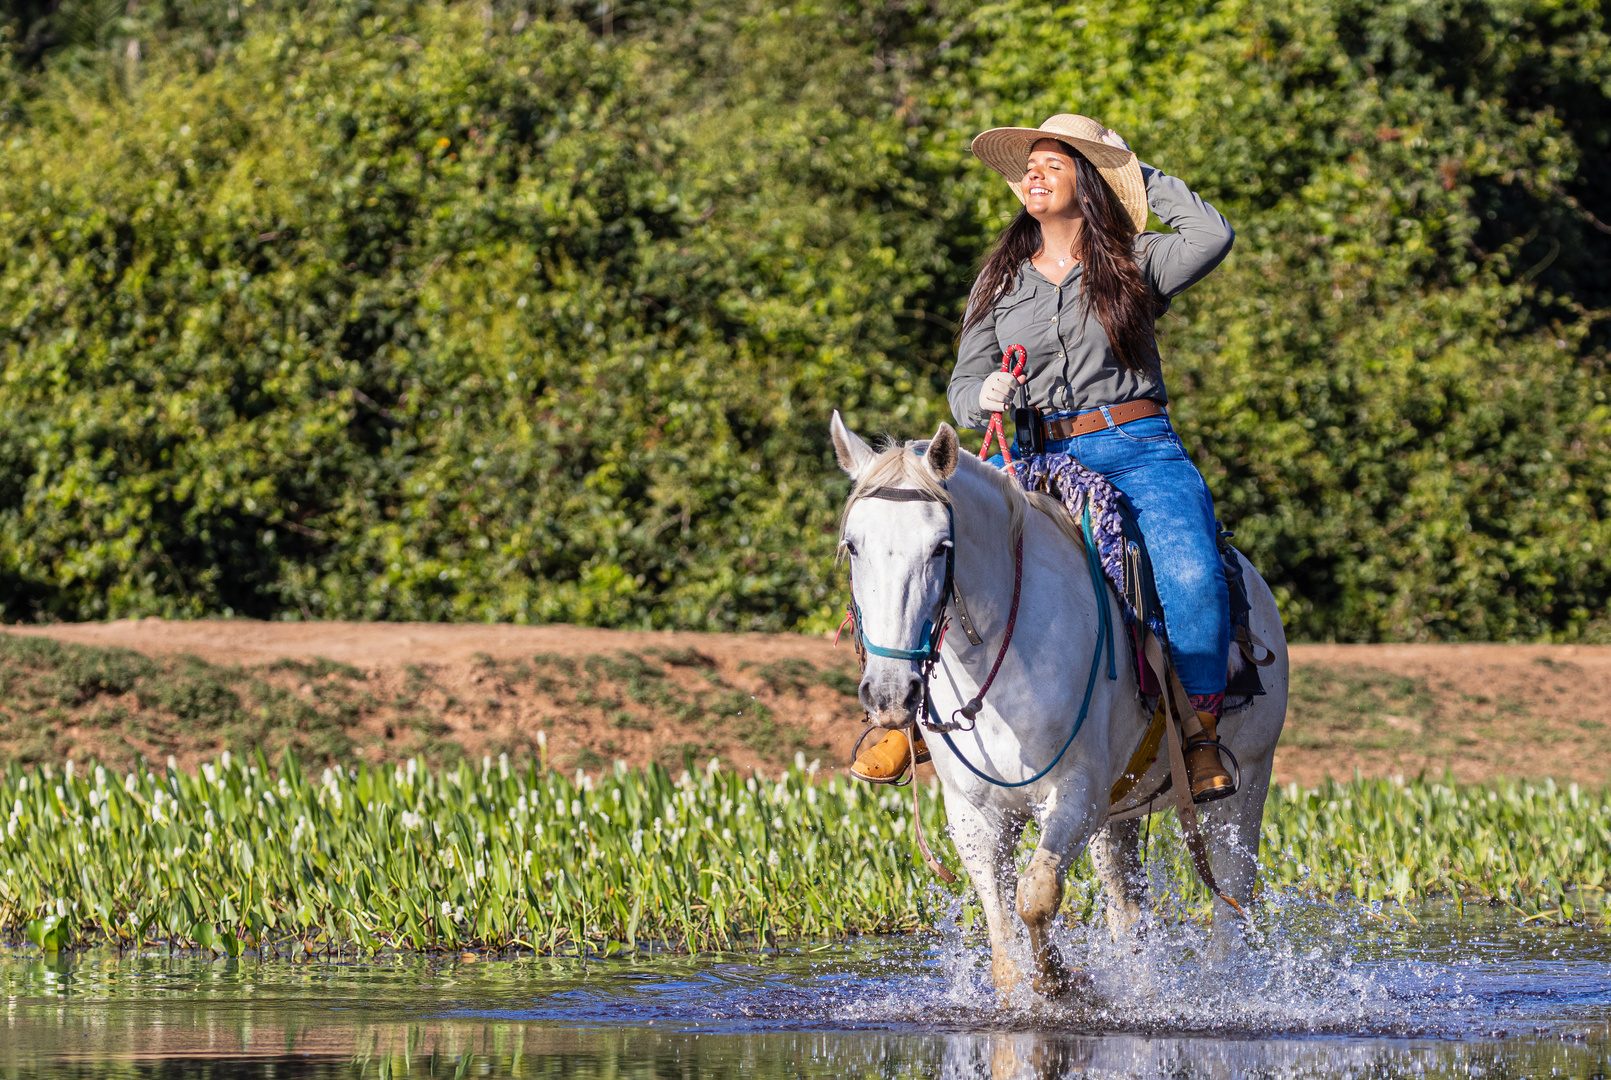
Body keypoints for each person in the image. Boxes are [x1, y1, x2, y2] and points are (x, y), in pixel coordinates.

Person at [851, 114, 1236, 801]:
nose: (1032, 176)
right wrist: (982, 396)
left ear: (1086, 182)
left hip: (1135, 449)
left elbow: (1211, 236)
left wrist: (1134, 176)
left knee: (1188, 566)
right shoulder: (997, 281)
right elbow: (963, 386)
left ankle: (1198, 725)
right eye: (1028, 167)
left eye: (1053, 165)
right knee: (939, 558)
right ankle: (907, 719)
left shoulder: (1138, 261)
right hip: (1031, 453)